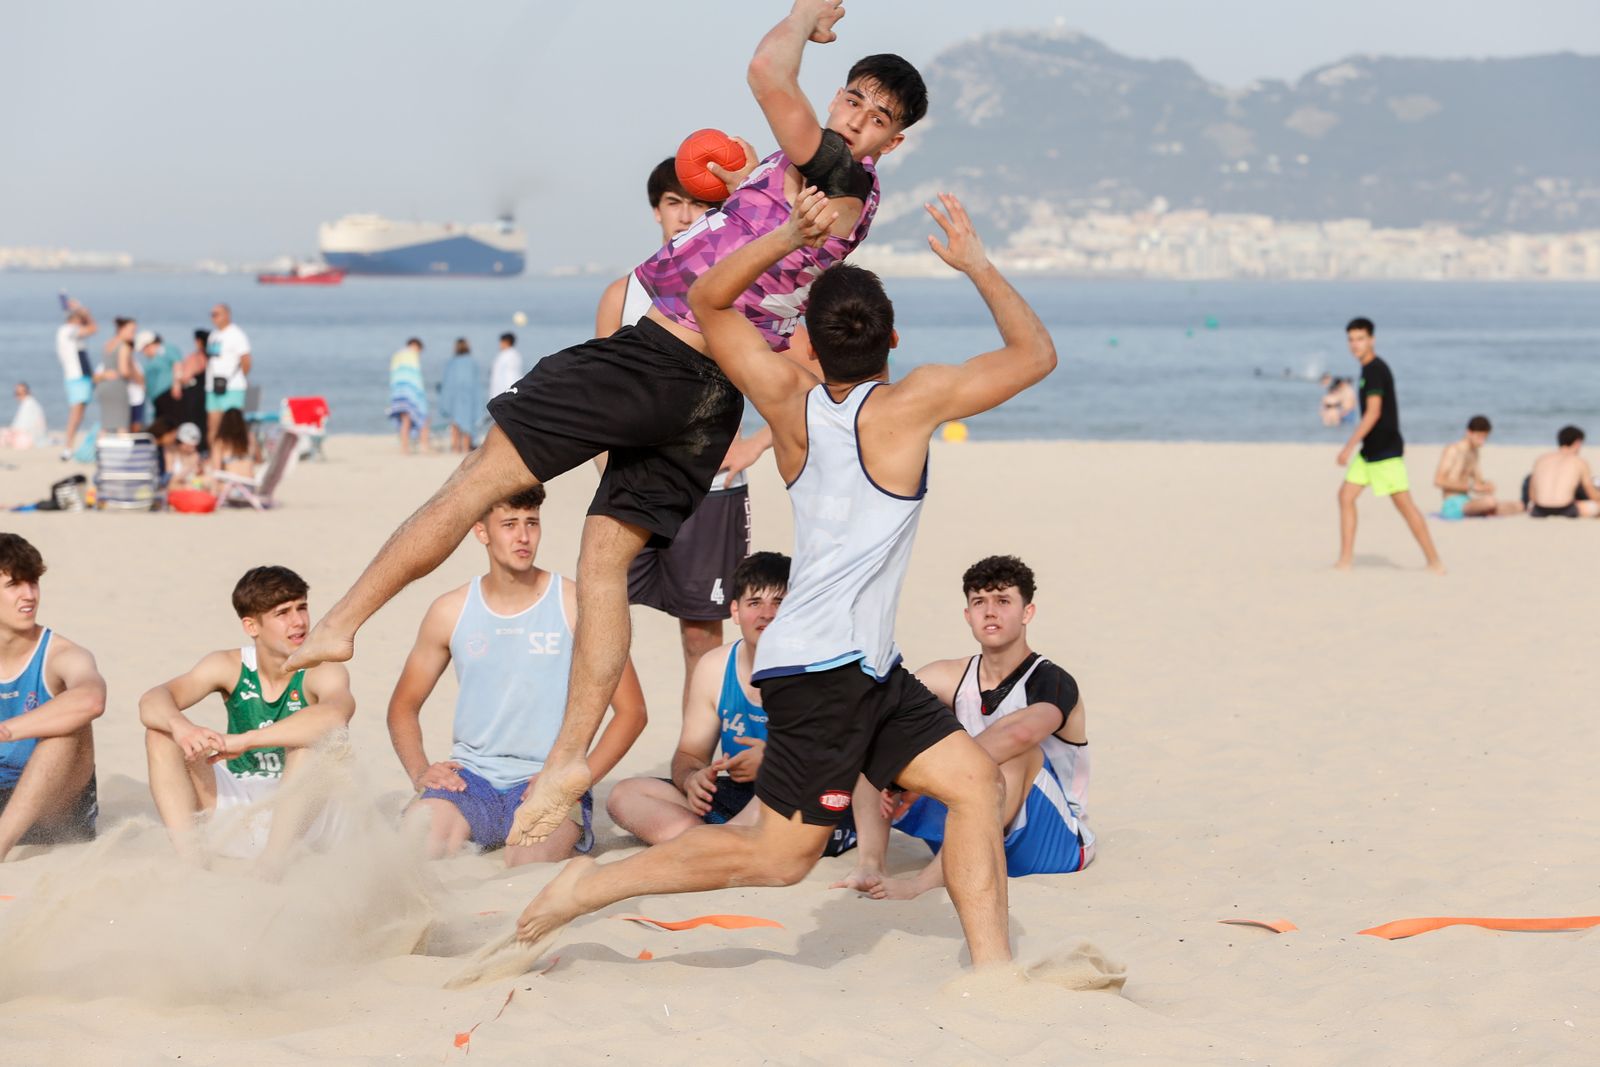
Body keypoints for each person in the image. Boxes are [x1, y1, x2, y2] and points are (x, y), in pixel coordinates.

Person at [287, 2, 929, 851]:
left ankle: (342, 622)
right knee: (603, 564)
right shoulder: (832, 188)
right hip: (713, 394)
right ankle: (564, 760)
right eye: (854, 99)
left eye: (877, 116)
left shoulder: (838, 169)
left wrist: (806, 16)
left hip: (662, 355)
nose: (856, 116)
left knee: (480, 477)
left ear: (890, 140)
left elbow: (765, 74)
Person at [511, 187, 1057, 971]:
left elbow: (706, 297)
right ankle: (585, 886)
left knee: (971, 781)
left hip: (866, 665)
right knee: (777, 856)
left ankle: (996, 971)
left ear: (807, 338)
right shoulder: (914, 402)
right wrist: (973, 262)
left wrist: (786, 238)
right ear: (892, 336)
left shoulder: (785, 399)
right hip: (821, 670)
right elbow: (1036, 355)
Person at [386, 487, 647, 863]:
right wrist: (420, 771)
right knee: (416, 847)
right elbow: (403, 705)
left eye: (532, 523)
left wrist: (573, 778)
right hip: (469, 779)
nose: (523, 536)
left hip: (550, 776)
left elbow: (632, 712)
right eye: (509, 524)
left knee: (524, 870)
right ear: (481, 531)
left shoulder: (577, 604)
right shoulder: (450, 611)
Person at [597, 158, 773, 713]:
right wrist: (606, 469)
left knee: (701, 636)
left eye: (701, 204)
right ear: (657, 211)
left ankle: (698, 758)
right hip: (632, 484)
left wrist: (758, 443)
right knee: (598, 616)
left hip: (708, 490)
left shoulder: (741, 294)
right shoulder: (622, 293)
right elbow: (601, 395)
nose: (686, 215)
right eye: (676, 202)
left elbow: (802, 374)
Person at [834, 555, 1091, 901]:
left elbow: (1021, 733)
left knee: (1017, 755)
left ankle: (923, 883)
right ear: (967, 615)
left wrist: (914, 780)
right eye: (979, 602)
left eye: (1003, 601)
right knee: (879, 736)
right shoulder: (948, 675)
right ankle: (870, 863)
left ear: (1027, 612)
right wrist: (889, 770)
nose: (990, 612)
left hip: (1049, 840)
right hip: (967, 819)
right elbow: (876, 711)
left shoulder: (1052, 681)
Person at [606, 551, 854, 855]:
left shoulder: (819, 668)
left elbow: (845, 758)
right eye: (755, 603)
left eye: (779, 603)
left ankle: (715, 847)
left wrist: (775, 760)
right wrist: (692, 780)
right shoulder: (715, 668)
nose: (766, 613)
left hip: (809, 802)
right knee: (627, 795)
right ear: (735, 612)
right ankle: (714, 846)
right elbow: (689, 754)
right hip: (742, 800)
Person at [139, 566, 355, 866]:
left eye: (302, 607)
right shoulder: (227, 664)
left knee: (307, 742)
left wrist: (246, 740)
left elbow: (334, 716)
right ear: (252, 626)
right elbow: (152, 700)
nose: (299, 622)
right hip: (242, 808)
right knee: (159, 733)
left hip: (306, 820)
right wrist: (181, 728)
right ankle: (192, 865)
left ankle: (272, 866)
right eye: (283, 613)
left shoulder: (322, 669)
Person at [0, 534, 105, 862]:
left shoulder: (61, 653)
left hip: (55, 809)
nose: (29, 595)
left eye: (33, 583)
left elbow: (91, 700)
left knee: (69, 725)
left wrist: (7, 730)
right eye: (14, 584)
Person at [1334, 317, 1445, 574]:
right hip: (1369, 451)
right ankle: (1345, 561)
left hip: (1385, 451)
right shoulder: (1366, 369)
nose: (1355, 344)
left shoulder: (1375, 370)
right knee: (1345, 496)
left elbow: (1373, 413)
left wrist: (1348, 446)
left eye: (1360, 339)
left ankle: (1434, 561)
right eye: (1351, 339)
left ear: (1371, 340)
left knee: (1405, 506)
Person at [1433, 415, 1523, 519]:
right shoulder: (1453, 450)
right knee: (1490, 502)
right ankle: (1485, 511)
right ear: (1469, 433)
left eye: (1485, 437)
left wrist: (1486, 485)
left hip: (1467, 500)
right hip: (1452, 503)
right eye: (1480, 437)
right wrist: (1471, 487)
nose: (1482, 441)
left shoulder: (1474, 452)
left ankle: (1485, 511)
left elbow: (1478, 482)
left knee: (1518, 505)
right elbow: (1438, 481)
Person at [1525, 426, 1600, 518]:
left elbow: (1532, 495)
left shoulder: (1541, 459)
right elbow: (1591, 493)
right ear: (1578, 442)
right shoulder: (1579, 461)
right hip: (1566, 508)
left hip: (1539, 509)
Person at [54, 302, 97, 459]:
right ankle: (68, 447)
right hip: (76, 377)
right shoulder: (67, 330)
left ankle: (69, 446)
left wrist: (81, 311)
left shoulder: (72, 333)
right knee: (75, 413)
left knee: (79, 414)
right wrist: (82, 310)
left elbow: (90, 327)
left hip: (83, 376)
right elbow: (93, 328)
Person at [205, 303, 252, 446]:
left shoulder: (236, 335)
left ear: (227, 315)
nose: (213, 318)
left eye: (216, 314)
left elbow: (246, 360)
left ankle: (238, 454)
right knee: (213, 425)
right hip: (213, 386)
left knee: (233, 425)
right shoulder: (213, 335)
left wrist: (238, 379)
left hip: (232, 387)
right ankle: (215, 459)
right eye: (212, 314)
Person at [94, 317, 139, 434]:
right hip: (117, 387)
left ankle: (100, 451)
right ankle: (124, 451)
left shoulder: (108, 344)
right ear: (121, 329)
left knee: (105, 424)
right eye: (132, 331)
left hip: (104, 386)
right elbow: (124, 371)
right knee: (121, 424)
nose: (134, 334)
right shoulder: (124, 346)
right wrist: (134, 376)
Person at [387, 338, 430, 454]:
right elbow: (415, 377)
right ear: (416, 346)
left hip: (398, 393)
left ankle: (404, 448)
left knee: (405, 420)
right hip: (411, 392)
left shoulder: (397, 355)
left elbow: (393, 375)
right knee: (423, 417)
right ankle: (424, 446)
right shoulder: (412, 355)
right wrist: (420, 393)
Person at [440, 337, 481, 453]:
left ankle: (455, 447)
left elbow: (447, 382)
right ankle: (466, 447)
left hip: (454, 396)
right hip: (468, 395)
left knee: (455, 422)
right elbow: (476, 383)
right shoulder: (472, 362)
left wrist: (445, 398)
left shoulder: (451, 362)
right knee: (468, 421)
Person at [138, 331, 185, 429]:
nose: (144, 352)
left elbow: (177, 364)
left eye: (144, 349)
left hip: (168, 392)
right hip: (156, 397)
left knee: (171, 422)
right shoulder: (151, 360)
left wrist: (177, 385)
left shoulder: (166, 349)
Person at [176, 329, 211, 451]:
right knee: (204, 425)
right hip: (206, 395)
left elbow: (185, 377)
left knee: (191, 424)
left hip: (193, 395)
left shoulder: (195, 357)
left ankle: (194, 450)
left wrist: (178, 378)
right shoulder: (211, 358)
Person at [209, 408, 256, 484]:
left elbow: (216, 470)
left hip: (231, 486)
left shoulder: (221, 442)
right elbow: (259, 460)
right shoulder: (250, 438)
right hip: (250, 485)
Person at [3, 383, 48, 449]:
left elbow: (21, 427)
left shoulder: (28, 404)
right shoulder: (29, 403)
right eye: (17, 393)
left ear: (28, 392)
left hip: (31, 438)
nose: (18, 396)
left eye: (20, 393)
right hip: (34, 437)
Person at [489, 333, 521, 399]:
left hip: (504, 393)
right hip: (502, 393)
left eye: (501, 342)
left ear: (506, 342)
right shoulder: (509, 354)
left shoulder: (508, 356)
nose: (500, 344)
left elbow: (511, 376)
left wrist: (508, 394)